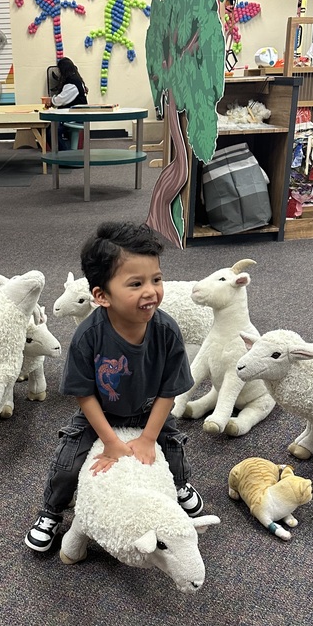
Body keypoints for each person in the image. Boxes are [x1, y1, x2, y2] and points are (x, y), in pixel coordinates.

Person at [25, 221, 205, 553]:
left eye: (157, 279)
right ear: (101, 296)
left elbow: (170, 390)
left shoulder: (166, 331)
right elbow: (84, 394)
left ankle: (179, 487)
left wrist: (149, 437)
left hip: (151, 410)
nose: (151, 291)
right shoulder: (88, 336)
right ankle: (50, 513)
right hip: (102, 411)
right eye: (136, 283)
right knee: (68, 460)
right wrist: (109, 440)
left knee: (175, 451)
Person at [50, 57, 89, 151]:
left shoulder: (72, 83)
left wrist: (51, 100)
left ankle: (65, 156)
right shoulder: (77, 79)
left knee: (51, 132)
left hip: (74, 118)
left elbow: (61, 100)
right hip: (77, 116)